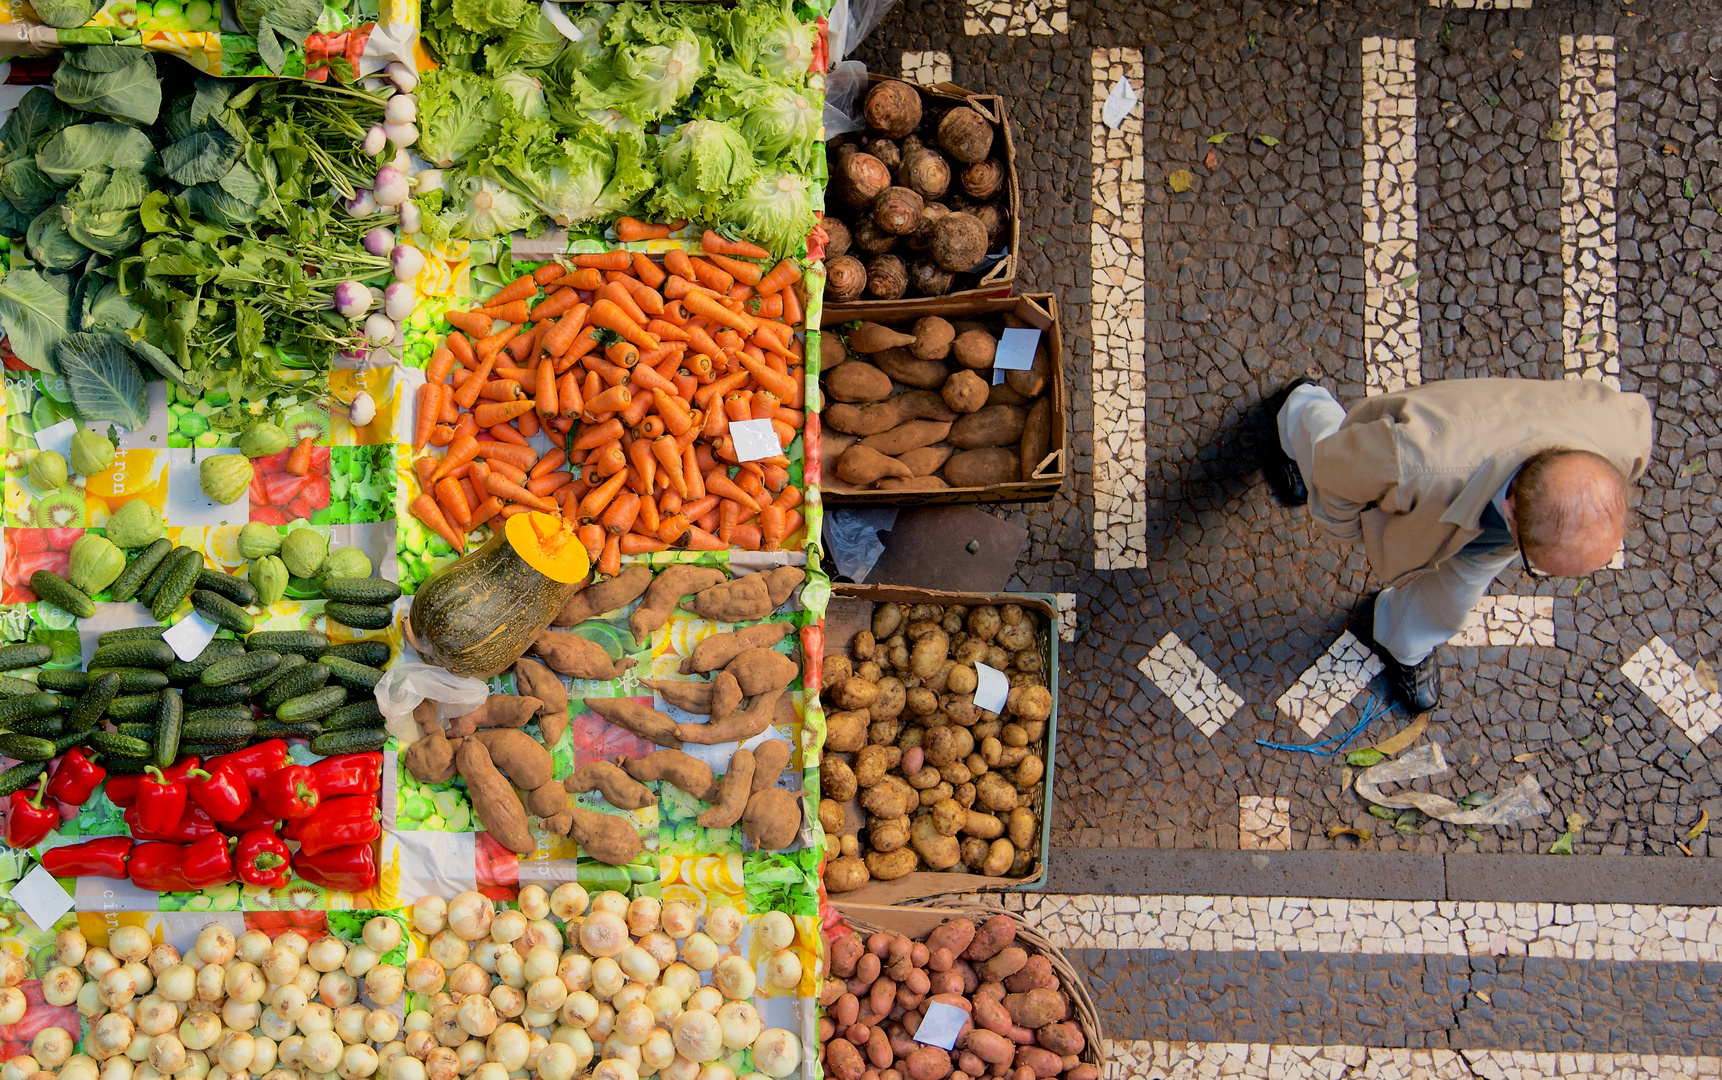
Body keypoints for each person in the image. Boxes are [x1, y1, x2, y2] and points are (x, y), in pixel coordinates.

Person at [1257, 377, 1654, 713]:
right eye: (1539, 566)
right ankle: (1301, 405)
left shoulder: (1627, 434)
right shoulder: (1413, 462)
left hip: (1483, 515)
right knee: (1324, 449)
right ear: (1511, 514)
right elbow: (1335, 477)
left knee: (1450, 601)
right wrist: (1352, 527)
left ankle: (1404, 643)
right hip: (1394, 467)